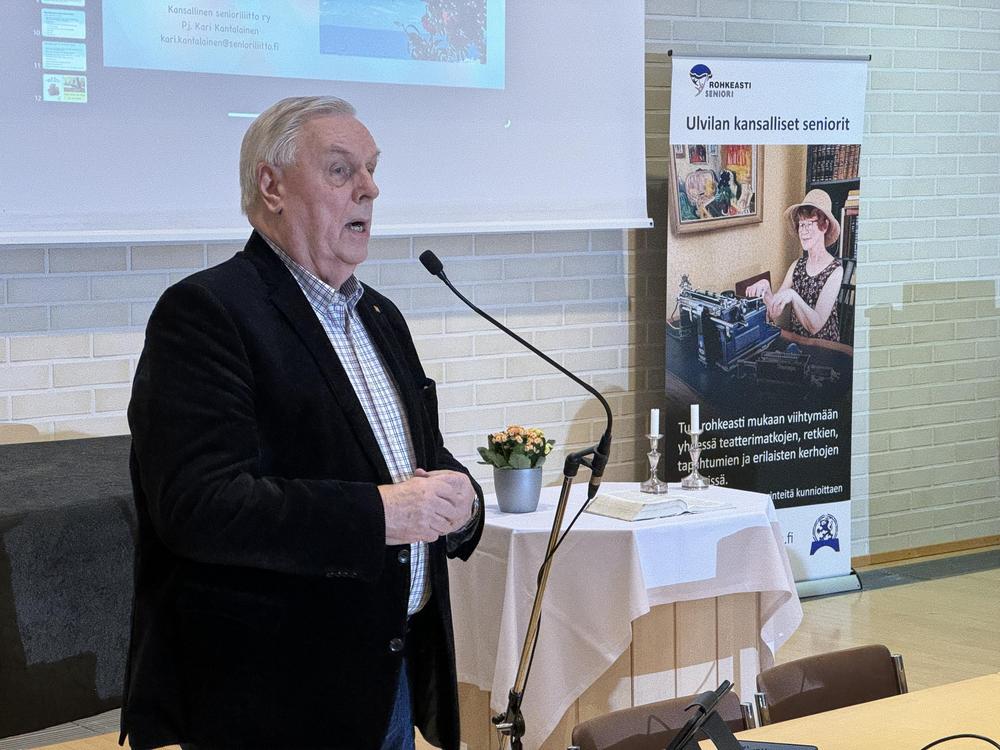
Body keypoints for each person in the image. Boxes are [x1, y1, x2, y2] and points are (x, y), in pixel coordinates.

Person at [119, 96, 484, 750]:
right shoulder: (207, 313)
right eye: (342, 170)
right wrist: (382, 514)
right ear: (272, 186)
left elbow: (419, 459)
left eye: (371, 169)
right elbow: (201, 505)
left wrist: (464, 501)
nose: (369, 188)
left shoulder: (380, 316)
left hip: (387, 679)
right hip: (275, 697)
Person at [747, 188, 844, 342]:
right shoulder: (797, 266)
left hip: (824, 346)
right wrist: (766, 291)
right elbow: (774, 312)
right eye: (801, 224)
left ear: (824, 226)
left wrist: (793, 295)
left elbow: (815, 326)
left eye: (809, 224)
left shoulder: (835, 270)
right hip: (797, 342)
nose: (803, 231)